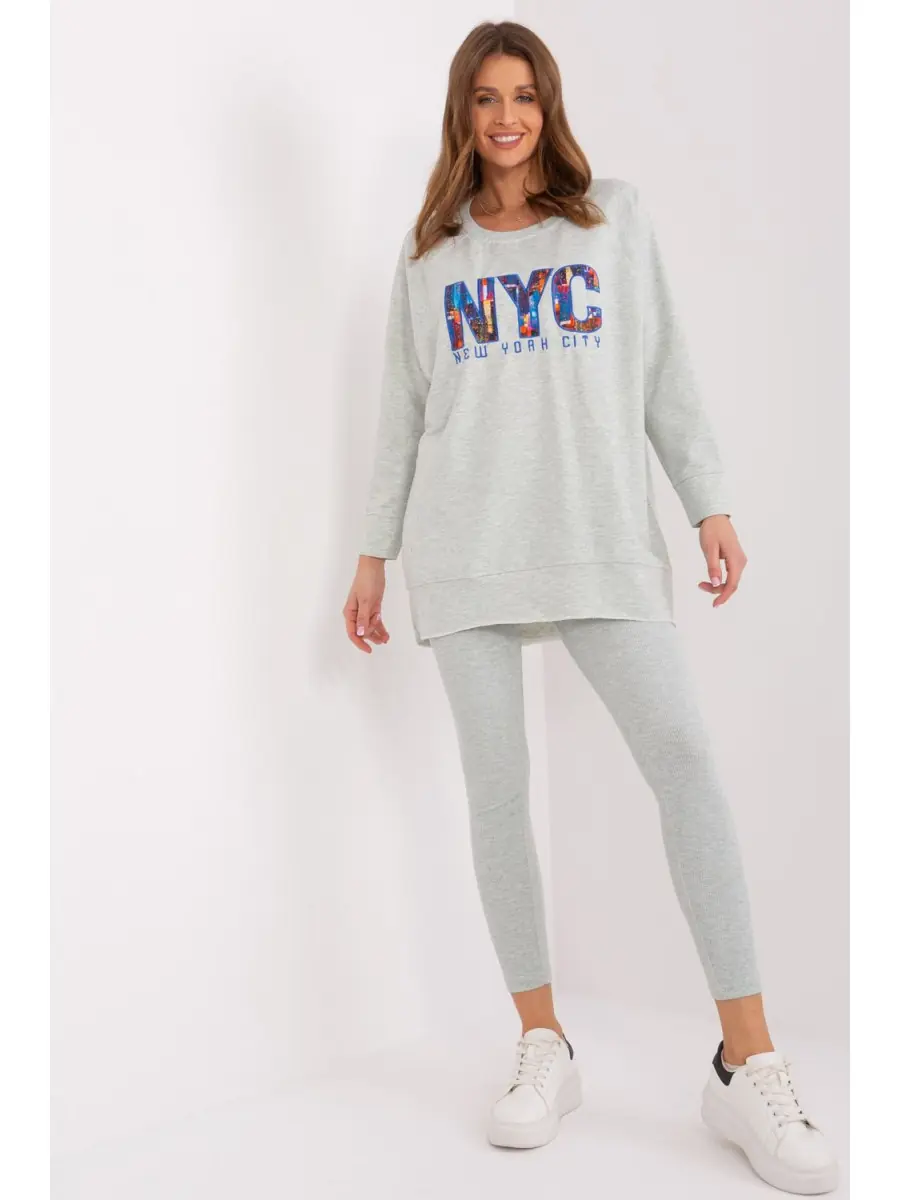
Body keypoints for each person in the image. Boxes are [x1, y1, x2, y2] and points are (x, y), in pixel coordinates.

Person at [343, 19, 839, 1196]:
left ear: (549, 106)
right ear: (463, 114)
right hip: (466, 548)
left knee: (685, 761)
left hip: (599, 536)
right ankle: (543, 1043)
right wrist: (372, 553)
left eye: (523, 95)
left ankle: (747, 1061)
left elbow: (665, 368)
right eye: (485, 97)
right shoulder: (430, 252)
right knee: (498, 795)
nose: (506, 117)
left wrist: (708, 500)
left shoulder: (612, 218)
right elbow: (400, 411)